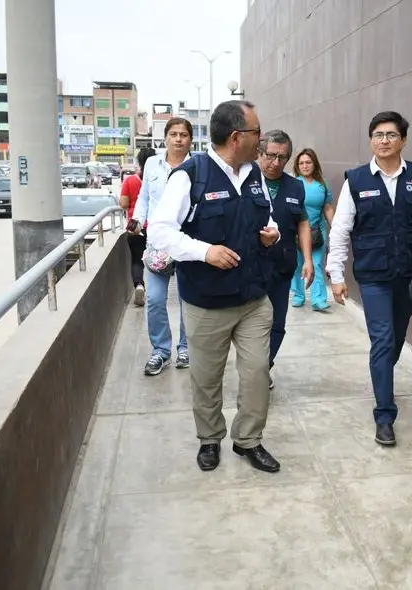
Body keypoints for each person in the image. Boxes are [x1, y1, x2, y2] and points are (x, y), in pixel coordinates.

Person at [148, 100, 283, 474]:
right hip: (207, 303)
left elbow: (267, 216)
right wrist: (204, 252)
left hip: (254, 298)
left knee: (257, 373)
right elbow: (159, 232)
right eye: (257, 133)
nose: (261, 139)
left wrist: (273, 233)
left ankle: (248, 441)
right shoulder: (191, 175)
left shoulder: (254, 174)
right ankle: (210, 439)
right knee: (207, 379)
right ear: (237, 137)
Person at [326, 111, 412, 446]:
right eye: (378, 135)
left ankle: (382, 377)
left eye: (391, 135)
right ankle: (385, 415)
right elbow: (341, 229)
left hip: (410, 274)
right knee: (384, 340)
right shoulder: (357, 180)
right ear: (371, 140)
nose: (384, 141)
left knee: (395, 340)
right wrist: (335, 274)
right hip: (373, 275)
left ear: (403, 139)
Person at [130, 118, 193, 375]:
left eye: (184, 135)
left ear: (190, 140)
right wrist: (136, 217)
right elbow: (145, 196)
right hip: (157, 242)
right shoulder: (152, 163)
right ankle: (161, 351)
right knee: (155, 300)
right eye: (174, 134)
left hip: (187, 241)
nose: (178, 139)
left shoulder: (197, 166)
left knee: (187, 300)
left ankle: (186, 348)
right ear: (165, 138)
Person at [257, 131, 313, 388]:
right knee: (251, 324)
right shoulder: (247, 180)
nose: (276, 162)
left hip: (282, 265)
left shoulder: (295, 186)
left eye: (283, 157)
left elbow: (303, 223)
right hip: (251, 265)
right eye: (271, 156)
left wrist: (308, 260)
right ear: (260, 152)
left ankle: (264, 367)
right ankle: (253, 369)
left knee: (277, 323)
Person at [291, 148, 334, 311]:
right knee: (297, 264)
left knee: (316, 264)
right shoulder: (293, 183)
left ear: (314, 164)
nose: (305, 166)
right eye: (301, 163)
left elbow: (328, 207)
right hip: (297, 231)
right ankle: (298, 295)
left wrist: (335, 229)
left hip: (318, 231)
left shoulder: (322, 184)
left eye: (308, 162)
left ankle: (318, 299)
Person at [120, 147, 156, 306]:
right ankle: (157, 292)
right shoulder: (157, 180)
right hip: (155, 226)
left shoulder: (130, 181)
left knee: (137, 259)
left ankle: (139, 285)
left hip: (136, 227)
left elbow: (123, 204)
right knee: (158, 260)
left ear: (139, 162)